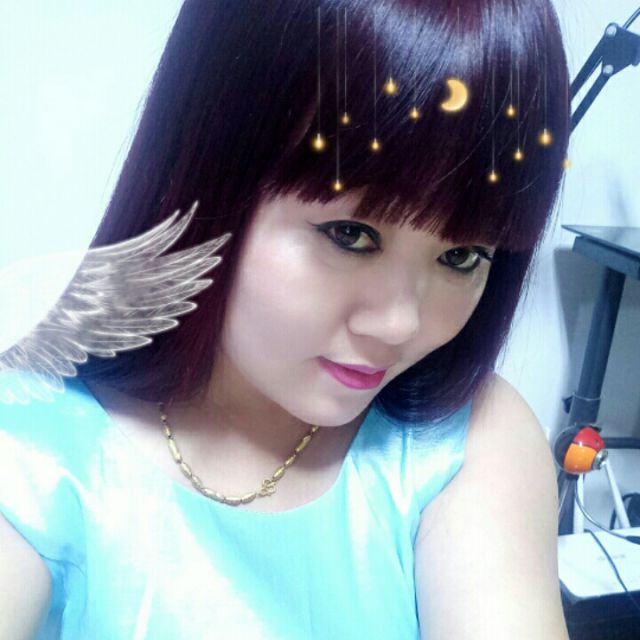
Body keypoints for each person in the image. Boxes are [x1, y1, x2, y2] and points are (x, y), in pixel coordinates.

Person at [0, 0, 572, 637]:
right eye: (350, 234)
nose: (399, 324)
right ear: (204, 176)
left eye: (462, 256)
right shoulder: (30, 450)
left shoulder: (467, 440)